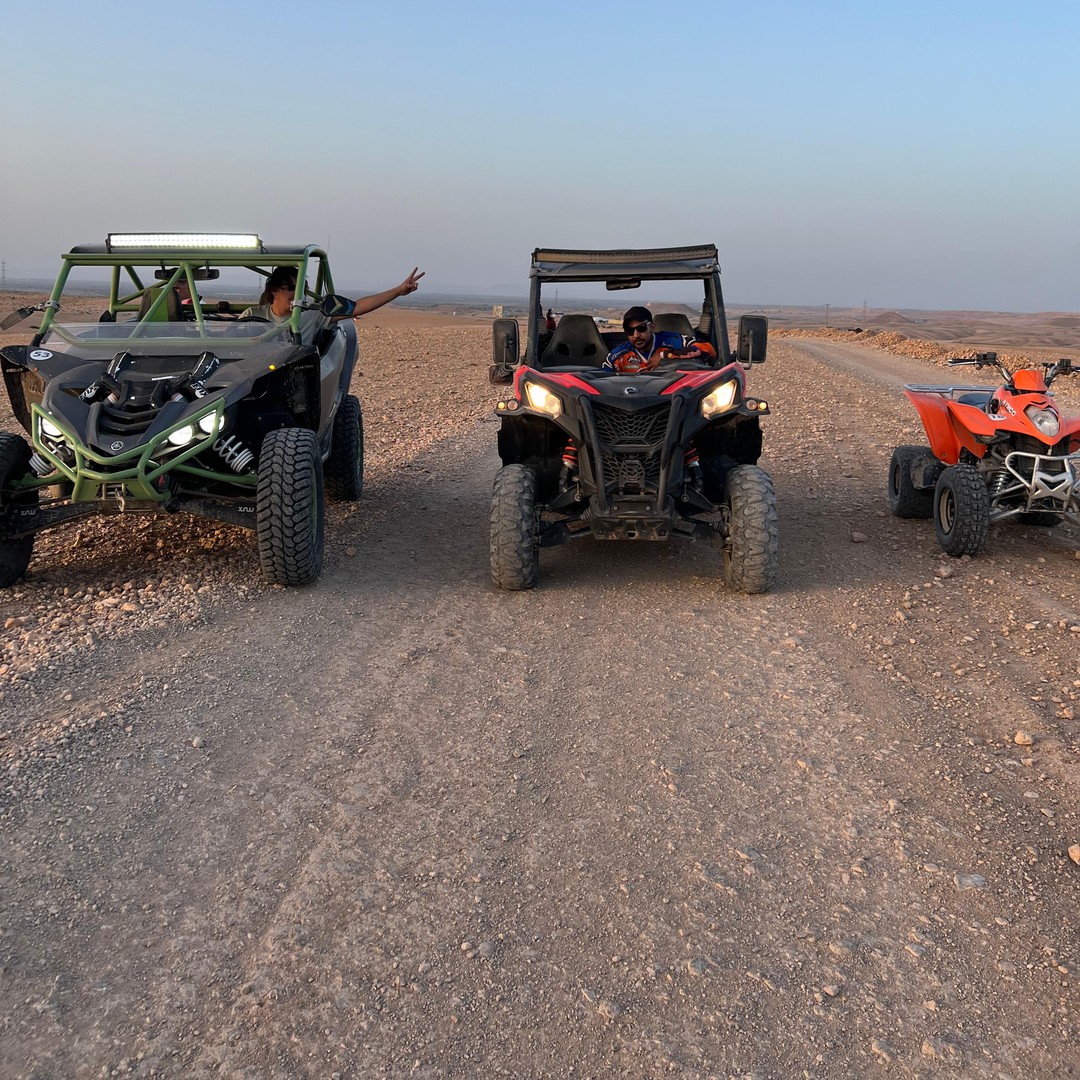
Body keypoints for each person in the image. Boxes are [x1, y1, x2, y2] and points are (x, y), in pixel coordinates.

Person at [240, 266, 425, 323]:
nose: (297, 294)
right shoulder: (251, 316)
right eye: (290, 287)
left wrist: (398, 291)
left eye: (301, 289)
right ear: (274, 290)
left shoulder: (312, 317)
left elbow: (358, 307)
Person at [603, 306, 716, 374]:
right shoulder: (619, 355)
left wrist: (664, 356)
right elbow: (603, 379)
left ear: (652, 327)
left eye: (641, 328)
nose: (635, 335)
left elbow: (708, 349)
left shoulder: (672, 341)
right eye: (629, 331)